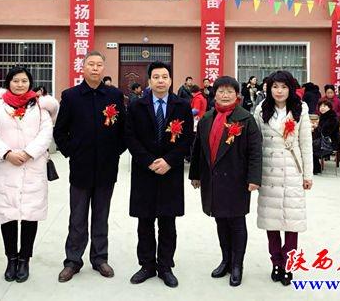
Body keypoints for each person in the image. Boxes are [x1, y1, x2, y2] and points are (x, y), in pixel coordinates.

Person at [53, 51, 126, 283]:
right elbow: (59, 131)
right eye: (90, 65)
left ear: (104, 69)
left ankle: (100, 259)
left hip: (106, 167)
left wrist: (114, 153)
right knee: (77, 216)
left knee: (101, 215)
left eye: (99, 65)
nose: (95, 68)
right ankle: (73, 260)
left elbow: (124, 131)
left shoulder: (114, 95)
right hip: (81, 167)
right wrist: (72, 151)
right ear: (82, 68)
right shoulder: (71, 96)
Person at [125, 61, 194, 288]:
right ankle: (146, 265)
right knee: (144, 221)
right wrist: (148, 161)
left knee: (168, 221)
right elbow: (130, 137)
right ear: (149, 81)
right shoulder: (136, 106)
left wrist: (169, 161)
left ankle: (165, 266)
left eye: (165, 77)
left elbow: (186, 140)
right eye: (156, 77)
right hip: (144, 171)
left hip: (170, 172)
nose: (161, 81)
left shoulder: (182, 105)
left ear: (171, 80)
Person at [189, 76, 262, 287]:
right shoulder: (207, 119)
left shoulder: (245, 119)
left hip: (237, 180)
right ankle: (226, 260)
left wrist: (254, 178)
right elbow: (199, 150)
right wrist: (195, 174)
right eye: (221, 91)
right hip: (213, 179)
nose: (225, 95)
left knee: (237, 222)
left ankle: (237, 265)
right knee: (220, 220)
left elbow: (255, 152)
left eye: (230, 91)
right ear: (215, 94)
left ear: (237, 94)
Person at [0, 67, 53, 283]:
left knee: (30, 215)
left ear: (30, 83)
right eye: (16, 80)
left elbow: (46, 133)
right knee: (8, 215)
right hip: (6, 167)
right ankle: (11, 259)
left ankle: (25, 259)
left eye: (24, 80)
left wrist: (27, 153)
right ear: (8, 83)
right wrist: (6, 153)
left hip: (32, 166)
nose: (20, 84)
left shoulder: (39, 106)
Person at [254, 70, 312, 287]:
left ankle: (289, 264)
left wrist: (307, 174)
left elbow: (305, 143)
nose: (279, 91)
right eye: (275, 87)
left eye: (283, 87)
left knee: (292, 221)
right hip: (268, 171)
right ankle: (275, 262)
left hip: (292, 170)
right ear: (269, 88)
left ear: (291, 88)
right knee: (272, 221)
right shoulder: (261, 109)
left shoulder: (301, 109)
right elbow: (255, 144)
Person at [311, 100, 340, 175]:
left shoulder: (332, 117)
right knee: (309, 145)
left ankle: (316, 168)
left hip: (329, 143)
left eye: (324, 106)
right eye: (320, 106)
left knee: (309, 147)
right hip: (323, 140)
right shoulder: (324, 116)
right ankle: (316, 167)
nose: (322, 108)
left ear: (329, 107)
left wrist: (317, 127)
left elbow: (325, 132)